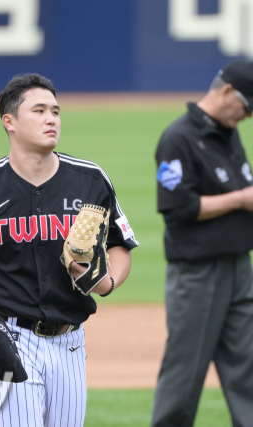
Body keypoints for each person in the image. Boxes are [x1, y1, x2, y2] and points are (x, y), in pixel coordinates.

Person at [0, 73, 139, 427]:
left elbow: (119, 244)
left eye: (55, 111)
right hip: (6, 338)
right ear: (9, 121)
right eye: (39, 110)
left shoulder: (91, 180)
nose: (51, 119)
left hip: (70, 341)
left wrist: (109, 281)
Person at [152, 60, 253, 427]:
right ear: (227, 92)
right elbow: (178, 206)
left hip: (240, 266)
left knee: (249, 366)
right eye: (247, 107)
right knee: (185, 371)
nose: (247, 116)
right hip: (198, 273)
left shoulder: (228, 133)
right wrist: (242, 199)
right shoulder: (178, 137)